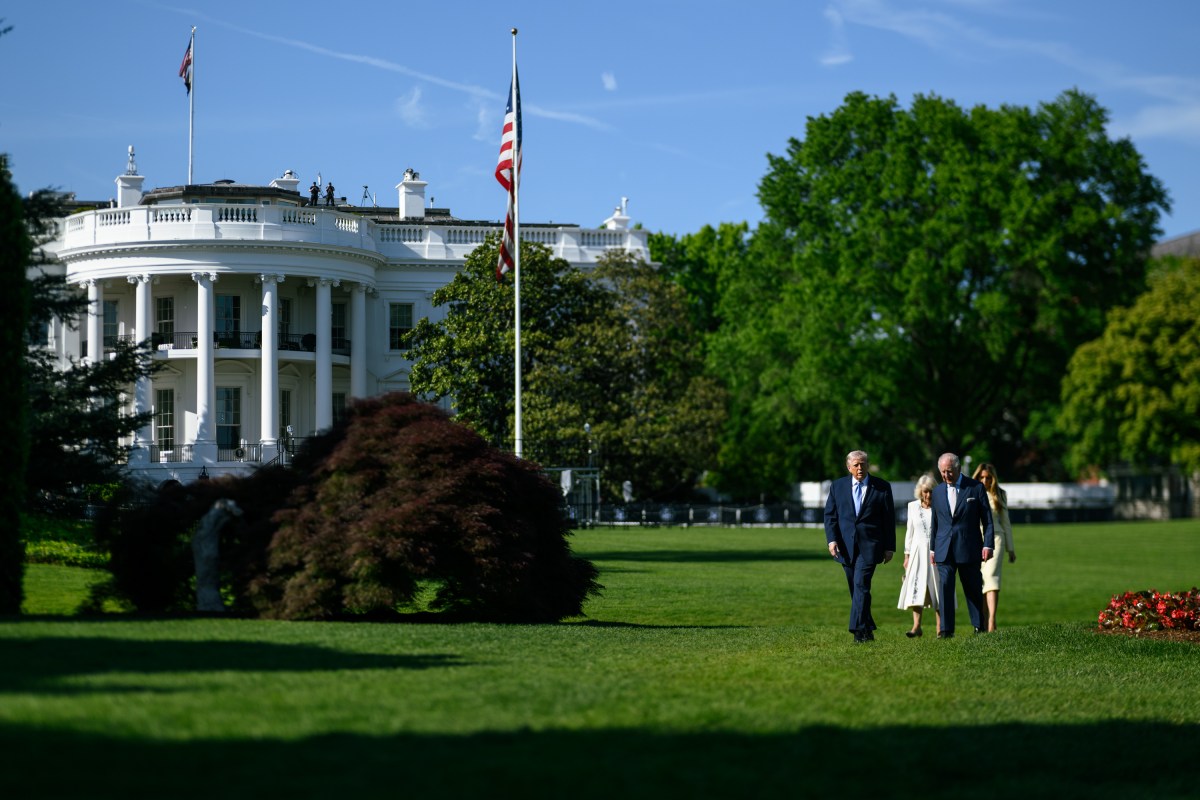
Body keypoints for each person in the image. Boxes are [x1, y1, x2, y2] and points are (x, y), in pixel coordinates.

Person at [824, 450, 895, 643]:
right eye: (856, 465)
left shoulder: (882, 487)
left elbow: (889, 520)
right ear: (848, 467)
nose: (860, 468)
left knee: (861, 585)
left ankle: (858, 631)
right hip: (845, 547)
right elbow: (830, 516)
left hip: (870, 546)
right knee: (856, 590)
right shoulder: (837, 487)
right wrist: (832, 541)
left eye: (863, 464)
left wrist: (890, 547)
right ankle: (868, 627)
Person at [930, 452, 994, 638]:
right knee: (945, 587)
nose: (945, 475)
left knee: (973, 588)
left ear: (958, 468)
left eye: (949, 471)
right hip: (944, 549)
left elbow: (987, 521)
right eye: (942, 472)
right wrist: (933, 548)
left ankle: (978, 626)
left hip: (969, 547)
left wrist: (988, 545)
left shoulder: (975, 488)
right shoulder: (938, 491)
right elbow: (936, 523)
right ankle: (946, 630)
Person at [897, 474, 949, 637]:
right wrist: (906, 556)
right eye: (925, 491)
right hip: (917, 553)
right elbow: (909, 532)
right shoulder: (913, 506)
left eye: (931, 491)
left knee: (938, 588)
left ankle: (940, 628)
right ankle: (916, 626)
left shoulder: (942, 506)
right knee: (916, 588)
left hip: (937, 552)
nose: (928, 495)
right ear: (920, 491)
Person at [973, 462, 1016, 632]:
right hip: (976, 540)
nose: (984, 480)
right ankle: (982, 622)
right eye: (981, 477)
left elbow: (1006, 522)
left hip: (996, 539)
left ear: (993, 479)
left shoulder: (1000, 494)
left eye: (988, 478)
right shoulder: (972, 492)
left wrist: (1010, 549)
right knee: (980, 580)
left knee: (991, 577)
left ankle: (992, 620)